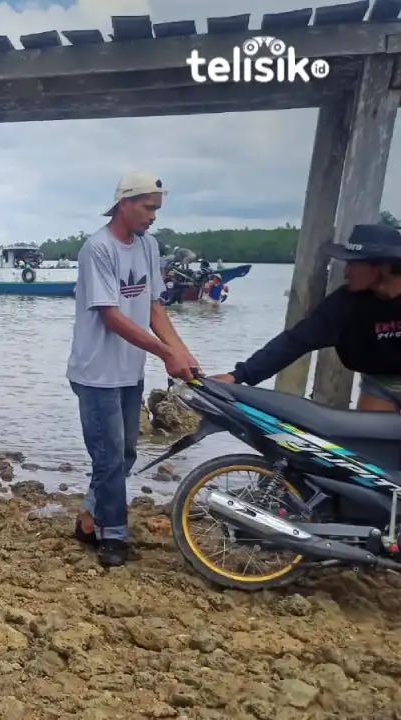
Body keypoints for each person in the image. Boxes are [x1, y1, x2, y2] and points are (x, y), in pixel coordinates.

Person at [66, 171, 198, 567]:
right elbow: (111, 316)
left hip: (129, 371)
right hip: (96, 373)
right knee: (107, 458)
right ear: (124, 203)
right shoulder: (98, 249)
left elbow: (154, 306)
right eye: (148, 208)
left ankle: (88, 520)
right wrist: (163, 354)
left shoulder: (149, 247)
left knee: (123, 454)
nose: (153, 217)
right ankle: (113, 536)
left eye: (157, 209)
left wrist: (181, 352)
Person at [212, 223, 401, 411]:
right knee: (367, 439)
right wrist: (239, 375)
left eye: (353, 264)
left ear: (383, 267)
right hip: (380, 383)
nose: (346, 273)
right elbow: (295, 341)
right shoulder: (345, 304)